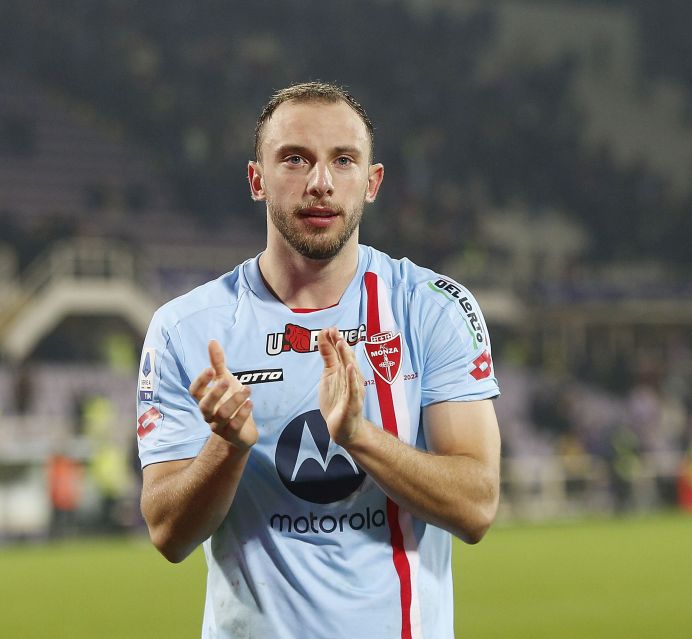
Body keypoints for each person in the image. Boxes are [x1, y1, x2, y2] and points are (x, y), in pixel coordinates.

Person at [137, 81, 502, 638]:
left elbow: (476, 507)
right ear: (257, 179)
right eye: (295, 159)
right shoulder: (187, 328)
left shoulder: (430, 308)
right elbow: (168, 533)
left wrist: (359, 436)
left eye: (343, 160)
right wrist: (227, 446)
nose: (320, 183)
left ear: (372, 183)